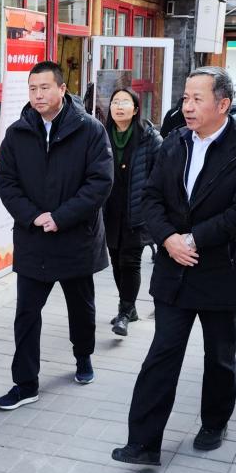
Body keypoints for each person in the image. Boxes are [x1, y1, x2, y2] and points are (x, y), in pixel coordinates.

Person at [112, 67, 236, 466]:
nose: (188, 106)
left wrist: (193, 239)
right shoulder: (175, 142)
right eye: (185, 98)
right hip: (174, 268)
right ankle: (143, 442)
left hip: (220, 269)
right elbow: (150, 197)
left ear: (223, 104)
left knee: (219, 355)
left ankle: (214, 422)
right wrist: (168, 239)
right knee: (162, 353)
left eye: (198, 99)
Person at [0, 61, 113, 410]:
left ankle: (83, 356)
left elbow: (100, 183)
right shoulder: (18, 132)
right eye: (32, 89)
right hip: (34, 238)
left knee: (81, 308)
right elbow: (6, 180)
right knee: (26, 314)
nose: (38, 95)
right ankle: (25, 383)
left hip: (76, 237)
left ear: (62, 89)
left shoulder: (89, 130)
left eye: (45, 88)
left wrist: (61, 217)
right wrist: (33, 216)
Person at [102, 88, 163, 336]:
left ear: (136, 109)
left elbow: (161, 174)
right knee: (116, 261)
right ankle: (130, 308)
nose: (119, 106)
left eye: (125, 102)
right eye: (115, 102)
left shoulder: (149, 137)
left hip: (137, 211)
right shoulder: (102, 135)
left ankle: (125, 312)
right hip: (110, 210)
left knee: (130, 262)